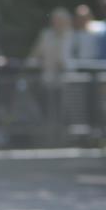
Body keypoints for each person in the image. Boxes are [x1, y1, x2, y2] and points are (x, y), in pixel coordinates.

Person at [28, 7, 73, 141]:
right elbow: (36, 54)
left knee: (65, 110)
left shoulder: (71, 35)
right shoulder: (46, 34)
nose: (56, 23)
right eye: (55, 20)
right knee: (47, 109)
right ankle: (49, 136)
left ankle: (65, 136)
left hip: (66, 81)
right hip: (48, 79)